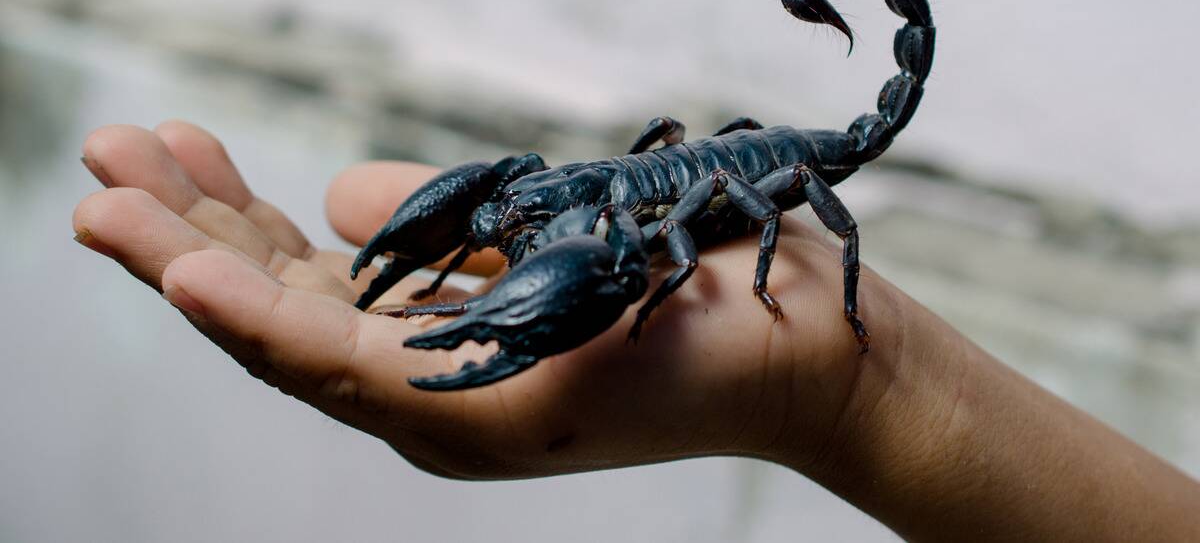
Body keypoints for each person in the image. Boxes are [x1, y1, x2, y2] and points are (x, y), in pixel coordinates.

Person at [72, 121, 1200, 541]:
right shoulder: (547, 193)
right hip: (663, 161)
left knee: (664, 229)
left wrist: (824, 321)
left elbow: (672, 246)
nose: (516, 219)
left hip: (751, 172)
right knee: (514, 203)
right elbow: (517, 187)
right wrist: (476, 224)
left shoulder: (640, 234)